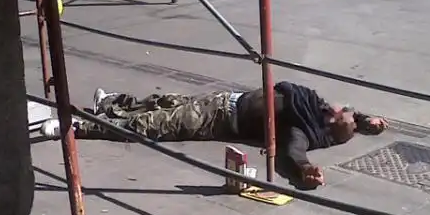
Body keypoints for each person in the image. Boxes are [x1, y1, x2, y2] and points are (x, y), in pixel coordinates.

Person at [40, 82, 389, 188]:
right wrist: (367, 122)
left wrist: (303, 171)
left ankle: (78, 127)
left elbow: (293, 153)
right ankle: (114, 101)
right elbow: (352, 119)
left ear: (331, 120)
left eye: (346, 112)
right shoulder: (313, 103)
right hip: (223, 99)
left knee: (157, 123)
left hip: (219, 117)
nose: (346, 107)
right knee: (163, 101)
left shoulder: (302, 127)